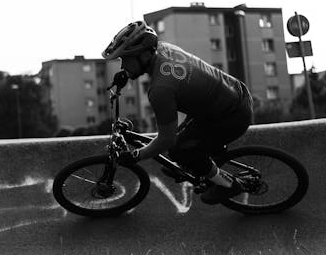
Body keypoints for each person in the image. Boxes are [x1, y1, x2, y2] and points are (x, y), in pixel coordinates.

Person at [102, 21, 253, 205]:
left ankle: (227, 184)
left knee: (179, 149)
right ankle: (206, 158)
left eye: (126, 59)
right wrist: (126, 75)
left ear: (144, 55)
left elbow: (166, 139)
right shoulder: (164, 49)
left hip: (231, 116)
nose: (123, 65)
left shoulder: (160, 90)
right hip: (235, 94)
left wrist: (136, 155)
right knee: (179, 145)